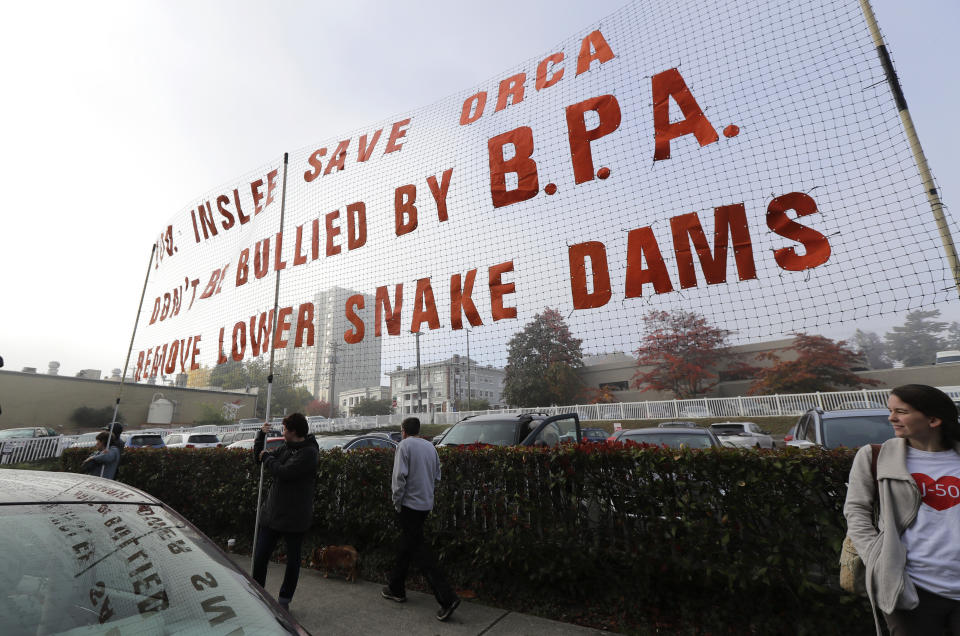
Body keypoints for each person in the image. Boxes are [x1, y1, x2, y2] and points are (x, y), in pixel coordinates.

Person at [843, 384, 960, 635]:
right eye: (891, 410)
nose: (891, 417)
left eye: (901, 411)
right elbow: (856, 511)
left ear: (934, 419)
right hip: (910, 588)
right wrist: (876, 559)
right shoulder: (876, 456)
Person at [381, 417, 460, 622]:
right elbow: (437, 475)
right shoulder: (430, 447)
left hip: (409, 505)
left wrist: (397, 503)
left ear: (404, 431)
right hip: (425, 504)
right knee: (408, 545)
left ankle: (447, 598)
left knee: (419, 550)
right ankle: (396, 588)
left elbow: (399, 478)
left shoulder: (404, 446)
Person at [252, 413, 319, 610]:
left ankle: (284, 600)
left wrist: (267, 459)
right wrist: (260, 437)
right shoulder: (287, 447)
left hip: (295, 516)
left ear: (294, 431)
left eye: (284, 429)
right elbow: (261, 458)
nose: (282, 433)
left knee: (292, 561)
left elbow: (285, 472)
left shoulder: (308, 452)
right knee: (261, 555)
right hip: (273, 513)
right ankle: (257, 594)